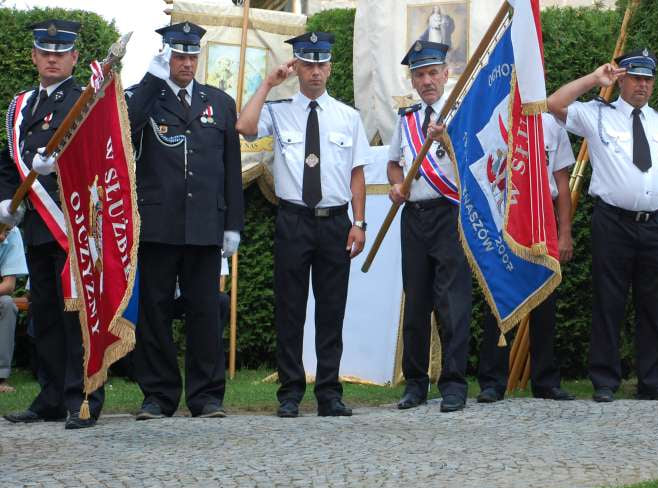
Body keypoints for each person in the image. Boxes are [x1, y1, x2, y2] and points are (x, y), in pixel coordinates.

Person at [547, 48, 658, 403]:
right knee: (608, 302)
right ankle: (604, 381)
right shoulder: (598, 115)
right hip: (613, 222)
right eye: (636, 78)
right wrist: (594, 80)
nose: (643, 85)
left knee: (653, 304)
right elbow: (553, 103)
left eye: (648, 79)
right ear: (622, 79)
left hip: (656, 224)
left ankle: (652, 382)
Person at [236, 31, 370, 418]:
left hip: (335, 222)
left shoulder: (348, 117)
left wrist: (359, 222)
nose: (315, 71)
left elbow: (357, 174)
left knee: (332, 310)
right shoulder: (277, 111)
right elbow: (244, 126)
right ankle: (290, 392)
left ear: (330, 68)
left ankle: (329, 392)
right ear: (295, 67)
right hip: (293, 219)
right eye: (307, 64)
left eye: (321, 64)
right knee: (290, 309)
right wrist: (267, 83)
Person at [125, 21, 243, 420]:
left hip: (205, 225)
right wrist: (150, 79)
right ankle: (158, 395)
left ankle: (206, 396)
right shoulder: (146, 97)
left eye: (192, 56)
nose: (186, 63)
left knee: (205, 310)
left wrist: (233, 225)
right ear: (166, 55)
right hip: (158, 224)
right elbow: (126, 129)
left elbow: (230, 167)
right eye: (178, 55)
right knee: (155, 311)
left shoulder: (219, 103)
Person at [0, 19, 105, 429]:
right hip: (38, 228)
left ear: (74, 58)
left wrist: (60, 165)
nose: (52, 59)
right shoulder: (22, 104)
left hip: (74, 222)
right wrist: (7, 200)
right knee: (44, 312)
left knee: (74, 312)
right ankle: (49, 396)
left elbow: (99, 154)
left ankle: (83, 397)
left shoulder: (85, 100)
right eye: (45, 52)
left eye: (60, 53)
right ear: (34, 57)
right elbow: (8, 161)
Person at [387, 40, 472, 413]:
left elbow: (474, 161)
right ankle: (415, 384)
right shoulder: (406, 119)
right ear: (413, 80)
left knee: (452, 302)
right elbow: (394, 163)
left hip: (450, 214)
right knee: (416, 301)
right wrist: (395, 184)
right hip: (415, 218)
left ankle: (453, 384)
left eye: (432, 73)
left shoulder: (461, 113)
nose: (427, 81)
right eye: (419, 75)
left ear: (446, 74)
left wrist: (447, 140)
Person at [475, 113, 576, 403]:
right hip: (503, 222)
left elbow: (562, 182)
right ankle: (493, 381)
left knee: (545, 306)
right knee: (498, 303)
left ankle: (545, 381)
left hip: (542, 223)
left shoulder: (552, 124)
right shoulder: (496, 114)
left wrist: (565, 232)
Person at [0, 226, 28, 393]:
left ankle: (1, 377)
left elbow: (9, 285)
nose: (3, 237)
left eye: (6, 230)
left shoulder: (14, 232)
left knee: (7, 304)